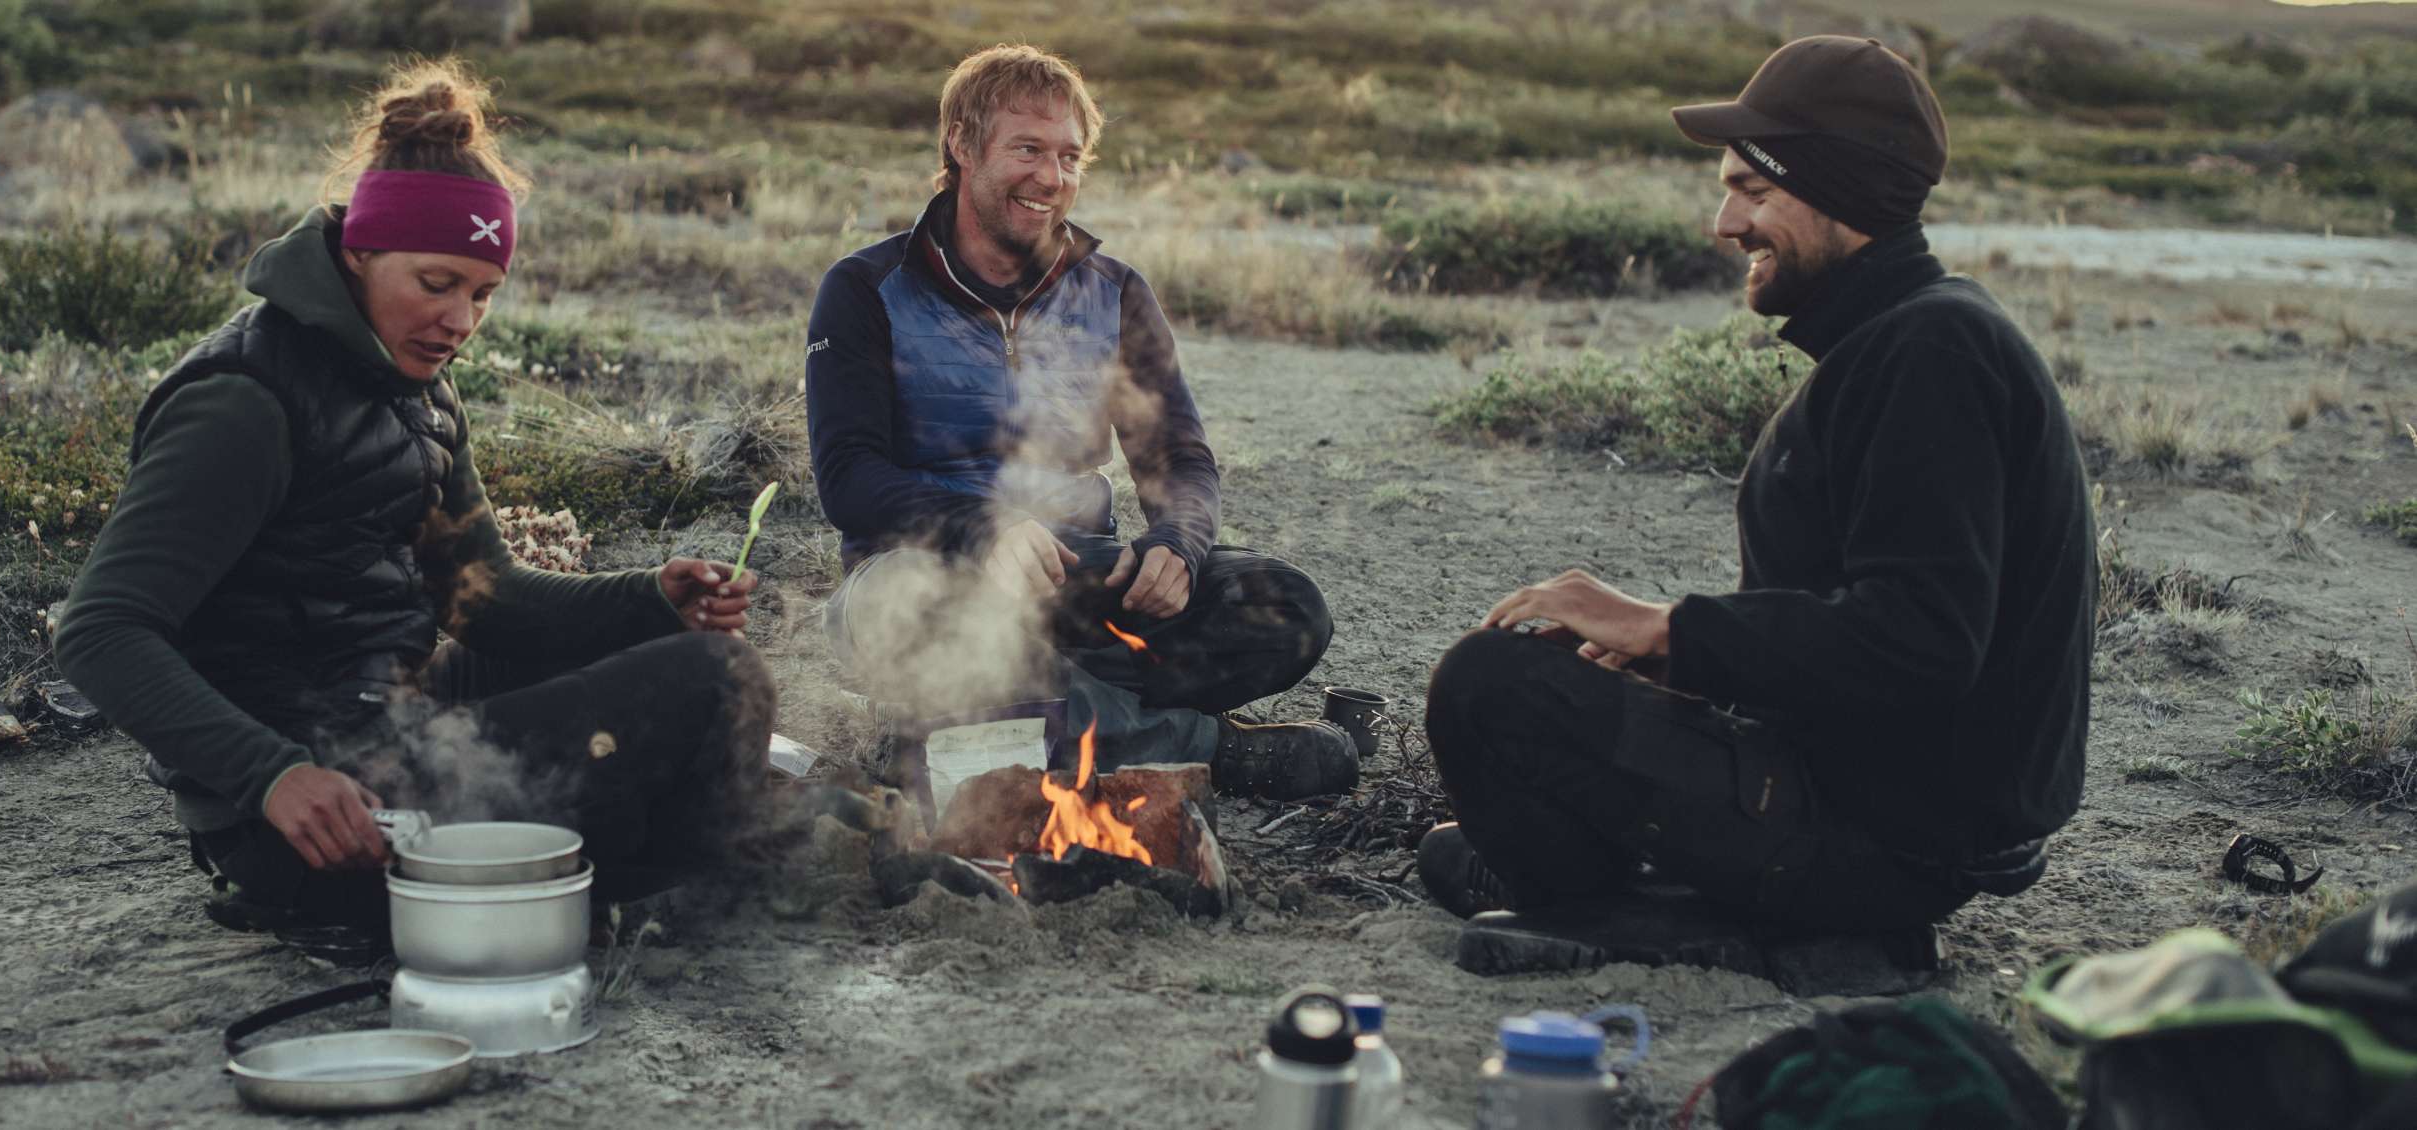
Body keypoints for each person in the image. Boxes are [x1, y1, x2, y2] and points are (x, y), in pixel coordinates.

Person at [1415, 37, 2095, 969]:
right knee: (1461, 849)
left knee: (1487, 688)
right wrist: (1685, 666)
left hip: (1890, 833)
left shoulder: (1931, 354)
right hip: (1867, 785)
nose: (1725, 223)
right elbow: (1863, 628)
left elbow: (1922, 641)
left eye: (1756, 191)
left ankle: (1757, 927)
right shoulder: (1907, 337)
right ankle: (1698, 901)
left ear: (1845, 193)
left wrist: (1667, 628)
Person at [55, 60, 774, 936]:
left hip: (389, 718)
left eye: (481, 294)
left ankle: (648, 861)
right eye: (436, 285)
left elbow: (488, 600)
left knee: (658, 644)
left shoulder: (417, 386)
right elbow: (99, 630)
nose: (461, 321)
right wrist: (273, 777)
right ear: (359, 253)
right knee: (718, 681)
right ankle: (675, 879)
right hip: (319, 814)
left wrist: (647, 597)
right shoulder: (244, 400)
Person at [805, 45, 1352, 800]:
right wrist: (985, 528)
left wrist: (1177, 543)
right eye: (1028, 149)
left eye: (1069, 156)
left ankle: (991, 721)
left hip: (1085, 579)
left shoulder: (1115, 292)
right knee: (922, 617)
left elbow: (1178, 456)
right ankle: (1200, 748)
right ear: (962, 146)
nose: (1052, 178)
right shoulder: (867, 287)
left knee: (1288, 606)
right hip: (925, 579)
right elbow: (849, 477)